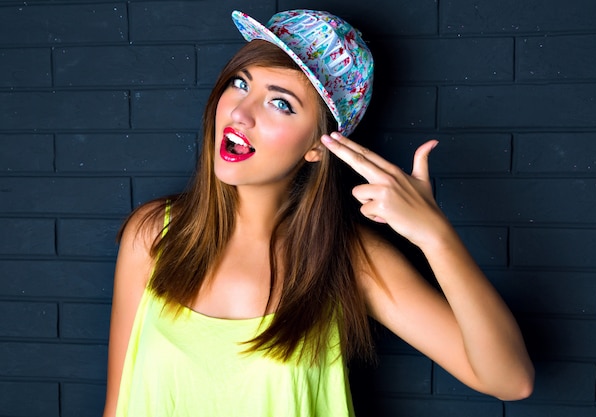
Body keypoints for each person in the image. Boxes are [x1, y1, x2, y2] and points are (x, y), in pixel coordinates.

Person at [103, 9, 534, 417]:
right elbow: (117, 406)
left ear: (317, 146)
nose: (239, 112)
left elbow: (509, 380)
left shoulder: (345, 260)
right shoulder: (153, 235)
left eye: (281, 103)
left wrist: (435, 237)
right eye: (240, 83)